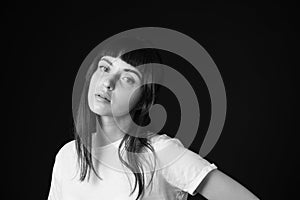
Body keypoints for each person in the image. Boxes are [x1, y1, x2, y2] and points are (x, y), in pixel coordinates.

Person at [47, 37, 260, 200]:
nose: (108, 82)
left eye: (128, 78)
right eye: (104, 68)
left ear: (143, 100)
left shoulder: (162, 154)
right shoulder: (67, 156)